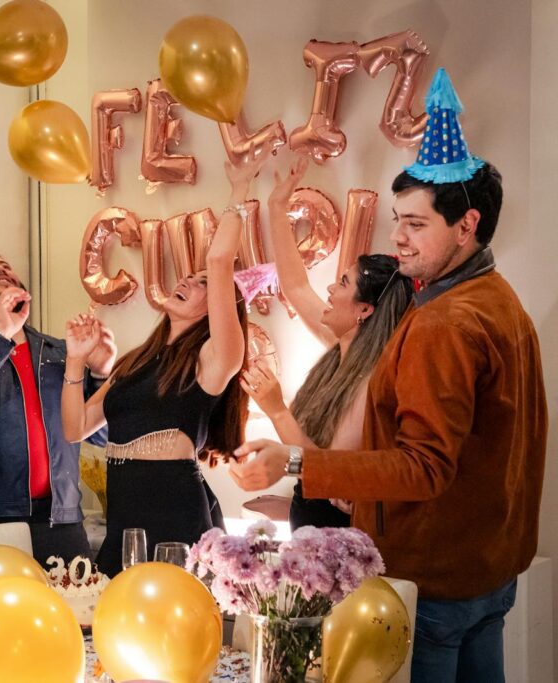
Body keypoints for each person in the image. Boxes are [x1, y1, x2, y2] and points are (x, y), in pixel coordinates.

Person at [230, 69, 547, 683]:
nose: (397, 238)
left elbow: (423, 465)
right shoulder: (499, 298)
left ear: (468, 224)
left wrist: (295, 463)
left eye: (416, 224)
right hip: (490, 569)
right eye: (397, 219)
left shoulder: (445, 323)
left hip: (434, 580)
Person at [60, 160, 250, 578]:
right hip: (123, 522)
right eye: (191, 276)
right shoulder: (134, 361)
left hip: (176, 520)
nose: (189, 281)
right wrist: (76, 358)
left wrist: (238, 193)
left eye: (202, 283)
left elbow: (220, 261)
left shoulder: (214, 360)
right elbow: (75, 429)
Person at [240, 156, 414, 529]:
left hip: (335, 534)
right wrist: (276, 206)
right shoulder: (341, 348)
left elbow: (329, 471)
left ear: (365, 310)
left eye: (344, 284)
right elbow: (296, 285)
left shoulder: (371, 379)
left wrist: (276, 410)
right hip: (309, 518)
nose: (332, 290)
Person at [0, 251, 116, 565]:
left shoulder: (59, 350)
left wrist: (100, 374)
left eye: (4, 267)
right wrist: (1, 333)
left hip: (61, 519)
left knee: (71, 613)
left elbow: (104, 436)